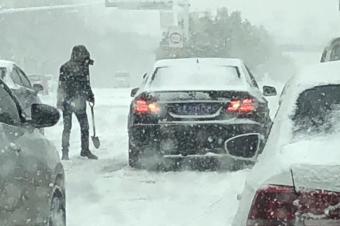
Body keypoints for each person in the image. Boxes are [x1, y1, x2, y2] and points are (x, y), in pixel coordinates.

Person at [57, 45, 98, 160]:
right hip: (75, 101)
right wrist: (89, 95)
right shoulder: (76, 67)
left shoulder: (66, 67)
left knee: (68, 128)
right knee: (82, 127)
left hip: (71, 101)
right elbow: (84, 84)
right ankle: (82, 150)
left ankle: (67, 152)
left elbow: (62, 86)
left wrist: (89, 94)